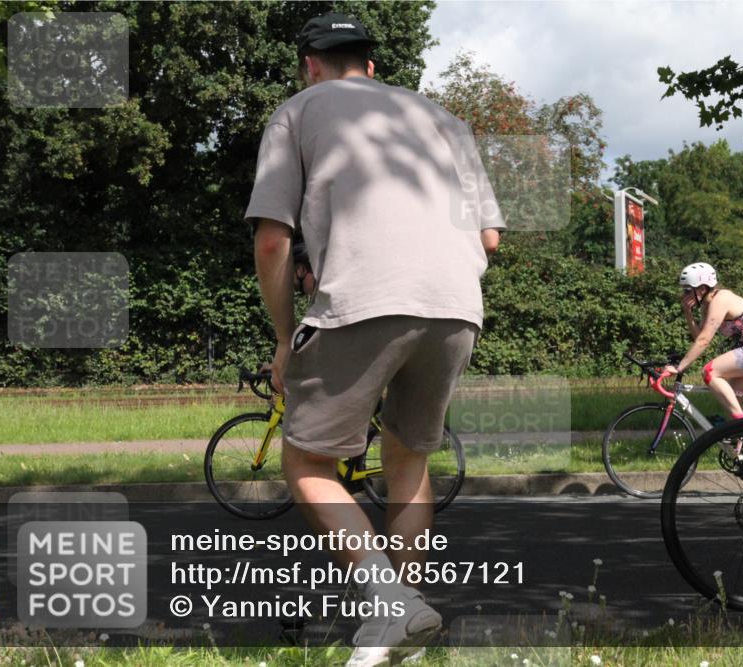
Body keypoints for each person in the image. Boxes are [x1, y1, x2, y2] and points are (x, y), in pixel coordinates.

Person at [244, 12, 503, 666]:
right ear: (372, 64)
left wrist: (282, 337)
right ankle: (405, 633)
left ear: (310, 64)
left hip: (363, 298)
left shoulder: (298, 112)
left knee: (307, 463)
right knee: (408, 463)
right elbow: (490, 239)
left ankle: (388, 603)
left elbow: (272, 239)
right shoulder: (443, 119)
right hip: (456, 304)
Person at [665, 262, 743, 421]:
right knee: (732, 400)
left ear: (701, 289)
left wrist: (680, 368)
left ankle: (742, 427)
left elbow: (704, 341)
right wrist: (688, 313)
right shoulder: (707, 305)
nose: (683, 294)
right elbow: (699, 336)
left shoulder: (721, 299)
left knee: (709, 372)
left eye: (687, 290)